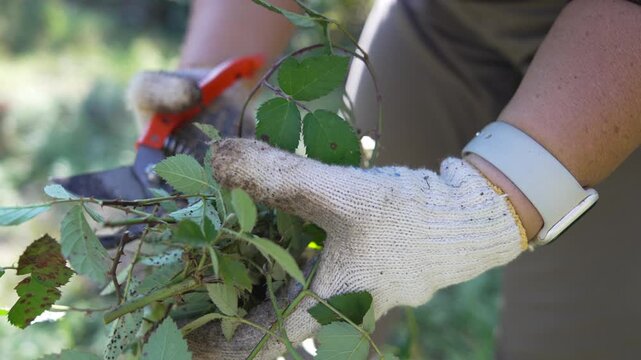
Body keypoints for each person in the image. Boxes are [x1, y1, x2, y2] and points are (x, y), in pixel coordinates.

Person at [128, 0, 641, 359]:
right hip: (444, 24)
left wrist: (473, 210)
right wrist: (209, 80)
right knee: (316, 281)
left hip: (619, 60)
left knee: (574, 340)